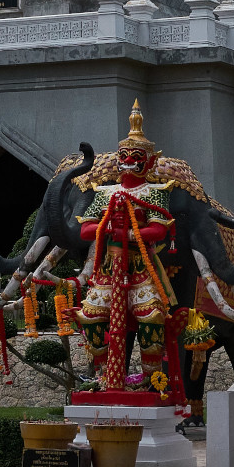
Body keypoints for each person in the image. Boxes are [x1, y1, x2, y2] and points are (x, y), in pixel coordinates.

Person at [75, 102, 177, 391]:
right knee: (91, 316)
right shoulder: (106, 193)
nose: (128, 161)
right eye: (123, 155)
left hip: (140, 266)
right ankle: (103, 374)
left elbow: (158, 229)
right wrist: (109, 229)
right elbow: (85, 230)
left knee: (152, 316)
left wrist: (130, 234)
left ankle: (150, 378)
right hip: (108, 267)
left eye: (135, 156)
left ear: (150, 161)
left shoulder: (155, 192)